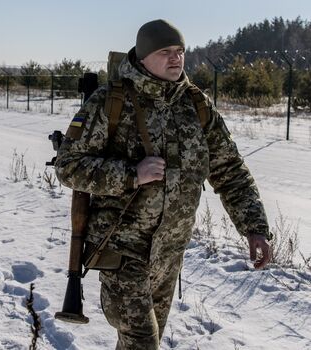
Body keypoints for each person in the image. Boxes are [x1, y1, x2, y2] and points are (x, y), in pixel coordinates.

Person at [54, 19, 272, 350]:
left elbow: (230, 170)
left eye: (180, 51)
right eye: (165, 52)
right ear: (143, 58)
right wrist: (131, 174)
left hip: (169, 255)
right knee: (142, 342)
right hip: (122, 251)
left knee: (141, 343)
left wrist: (254, 227)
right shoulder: (111, 102)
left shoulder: (196, 106)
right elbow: (69, 166)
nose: (176, 59)